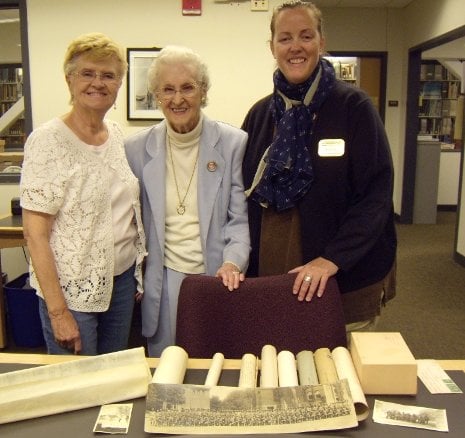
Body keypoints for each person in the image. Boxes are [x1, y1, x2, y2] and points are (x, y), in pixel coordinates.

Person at [241, 1, 397, 332]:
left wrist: (333, 259)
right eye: (285, 38)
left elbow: (376, 195)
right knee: (278, 367)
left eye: (305, 36)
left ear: (321, 43)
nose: (295, 47)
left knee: (339, 375)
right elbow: (241, 196)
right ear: (272, 47)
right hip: (273, 278)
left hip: (342, 279)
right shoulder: (259, 115)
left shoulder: (354, 108)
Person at [20, 33, 146, 355]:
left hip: (121, 285)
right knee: (76, 386)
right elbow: (36, 236)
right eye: (87, 73)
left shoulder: (118, 136)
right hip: (71, 293)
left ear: (119, 84)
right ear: (69, 80)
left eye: (108, 75)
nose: (98, 83)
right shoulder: (47, 141)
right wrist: (58, 312)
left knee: (113, 380)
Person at [125, 45, 250, 357]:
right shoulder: (136, 149)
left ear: (203, 91)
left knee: (214, 364)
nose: (177, 99)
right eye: (167, 89)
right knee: (166, 368)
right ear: (156, 94)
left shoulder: (233, 143)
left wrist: (233, 262)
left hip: (215, 274)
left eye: (187, 88)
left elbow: (239, 218)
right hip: (163, 277)